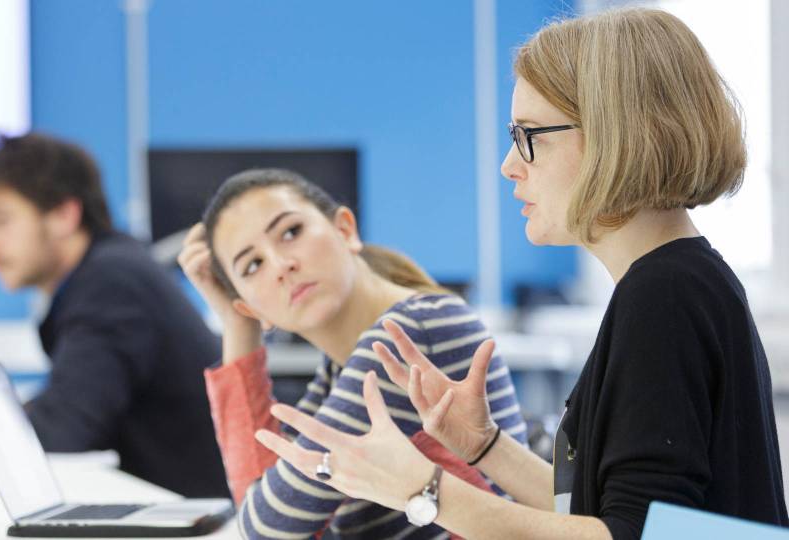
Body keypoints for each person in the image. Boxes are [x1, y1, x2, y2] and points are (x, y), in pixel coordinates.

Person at [254, 8, 789, 540]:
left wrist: (423, 489)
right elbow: (608, 512)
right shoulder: (680, 280)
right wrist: (485, 446)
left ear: (615, 136)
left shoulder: (664, 295)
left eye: (530, 135)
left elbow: (628, 536)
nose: (509, 164)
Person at [177, 168, 527, 538]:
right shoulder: (341, 365)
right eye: (253, 265)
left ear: (345, 229)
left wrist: (239, 326)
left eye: (291, 232)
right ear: (250, 308)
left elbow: (268, 528)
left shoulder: (409, 333)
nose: (281, 266)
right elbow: (262, 497)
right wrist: (238, 327)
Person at [0, 132, 229, 498]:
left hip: (203, 515)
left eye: (0, 221)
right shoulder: (109, 271)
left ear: (63, 215)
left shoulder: (112, 284)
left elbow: (62, 433)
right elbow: (68, 405)